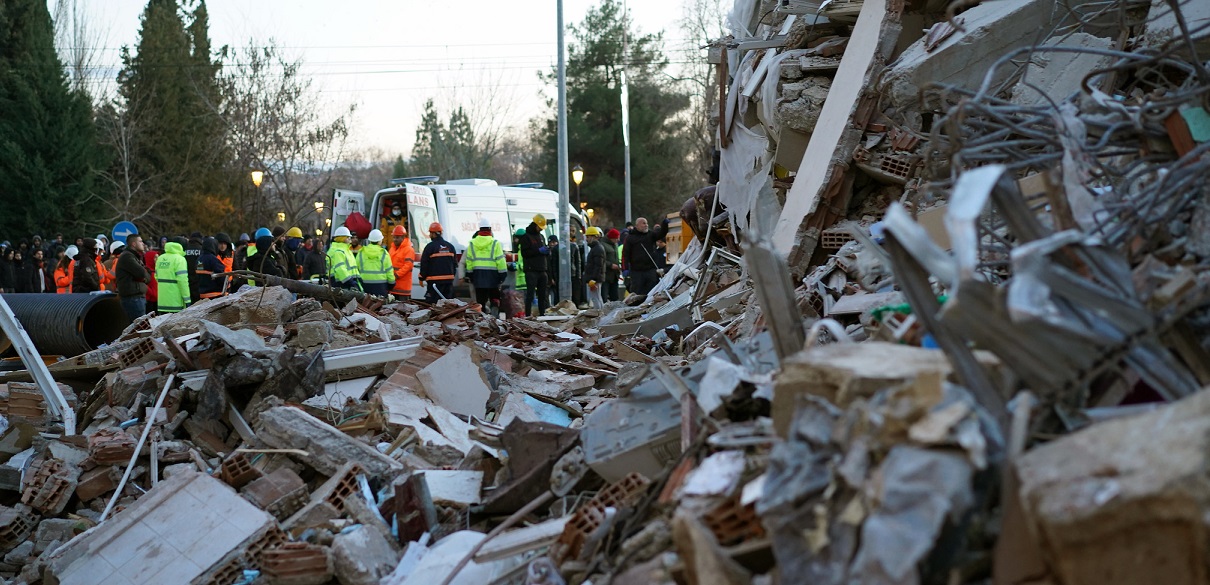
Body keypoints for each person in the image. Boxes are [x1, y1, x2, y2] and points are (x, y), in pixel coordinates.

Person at [463, 218, 506, 313]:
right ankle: (494, 310)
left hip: (478, 275)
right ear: (490, 229)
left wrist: (469, 274)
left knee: (481, 299)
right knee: (494, 296)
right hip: (493, 275)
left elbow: (469, 260)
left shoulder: (472, 243)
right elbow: (500, 260)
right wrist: (503, 274)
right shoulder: (495, 243)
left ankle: (482, 315)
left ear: (479, 230)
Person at [622, 216, 669, 297]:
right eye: (643, 223)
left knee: (652, 291)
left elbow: (661, 233)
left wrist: (664, 224)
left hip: (650, 270)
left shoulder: (650, 235)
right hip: (636, 271)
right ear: (637, 226)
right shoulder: (630, 238)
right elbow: (625, 254)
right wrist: (625, 268)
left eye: (647, 223)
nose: (646, 225)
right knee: (637, 292)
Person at [519, 215, 551, 317]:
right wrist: (538, 251)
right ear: (535, 225)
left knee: (542, 295)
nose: (541, 229)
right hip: (531, 270)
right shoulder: (526, 237)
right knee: (530, 295)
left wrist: (546, 252)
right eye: (540, 227)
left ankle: (542, 314)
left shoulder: (541, 237)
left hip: (542, 269)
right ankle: (528, 315)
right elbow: (525, 253)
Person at [418, 222, 456, 303]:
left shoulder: (430, 247)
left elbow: (424, 264)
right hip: (448, 283)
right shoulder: (450, 247)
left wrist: (421, 277)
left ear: (433, 234)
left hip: (434, 283)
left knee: (433, 304)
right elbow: (455, 264)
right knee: (448, 305)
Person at [115, 235, 151, 320]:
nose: (143, 244)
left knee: (140, 327)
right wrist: (144, 276)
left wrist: (144, 276)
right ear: (134, 244)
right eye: (140, 241)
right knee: (139, 328)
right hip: (133, 298)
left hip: (137, 297)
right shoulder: (127, 256)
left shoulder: (135, 256)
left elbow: (148, 277)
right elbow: (141, 273)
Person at [155, 238, 191, 313]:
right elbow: (182, 281)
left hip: (162, 302)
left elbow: (156, 277)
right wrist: (187, 300)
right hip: (176, 302)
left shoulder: (160, 258)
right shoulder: (180, 259)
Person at [358, 229, 395, 297]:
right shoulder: (384, 253)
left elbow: (356, 270)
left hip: (364, 285)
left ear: (370, 240)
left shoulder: (361, 252)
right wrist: (391, 284)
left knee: (365, 306)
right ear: (380, 241)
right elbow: (389, 271)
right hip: (381, 286)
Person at [389, 225, 415, 299]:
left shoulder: (409, 249)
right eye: (394, 237)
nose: (395, 239)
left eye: (397, 237)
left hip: (403, 288)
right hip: (393, 286)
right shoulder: (392, 249)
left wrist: (396, 275)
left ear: (403, 237)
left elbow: (408, 266)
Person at [585, 227, 606, 309]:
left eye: (588, 237)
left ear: (594, 237)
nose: (586, 239)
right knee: (597, 297)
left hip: (594, 279)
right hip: (595, 278)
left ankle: (599, 314)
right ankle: (601, 314)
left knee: (595, 298)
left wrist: (593, 279)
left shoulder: (597, 249)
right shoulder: (596, 248)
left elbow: (598, 266)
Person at [602, 228, 621, 302]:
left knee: (615, 296)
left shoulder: (615, 245)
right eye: (616, 238)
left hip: (614, 275)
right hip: (606, 275)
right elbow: (601, 260)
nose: (618, 240)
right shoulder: (602, 245)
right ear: (611, 238)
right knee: (604, 296)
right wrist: (610, 265)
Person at [570, 230, 585, 308]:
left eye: (573, 230)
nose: (572, 232)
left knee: (575, 295)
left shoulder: (575, 246)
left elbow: (578, 262)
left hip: (574, 273)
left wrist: (578, 275)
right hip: (567, 274)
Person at [547, 234, 560, 306]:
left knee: (555, 294)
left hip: (555, 277)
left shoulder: (559, 253)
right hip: (550, 277)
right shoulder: (547, 253)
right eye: (550, 243)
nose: (552, 244)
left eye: (554, 242)